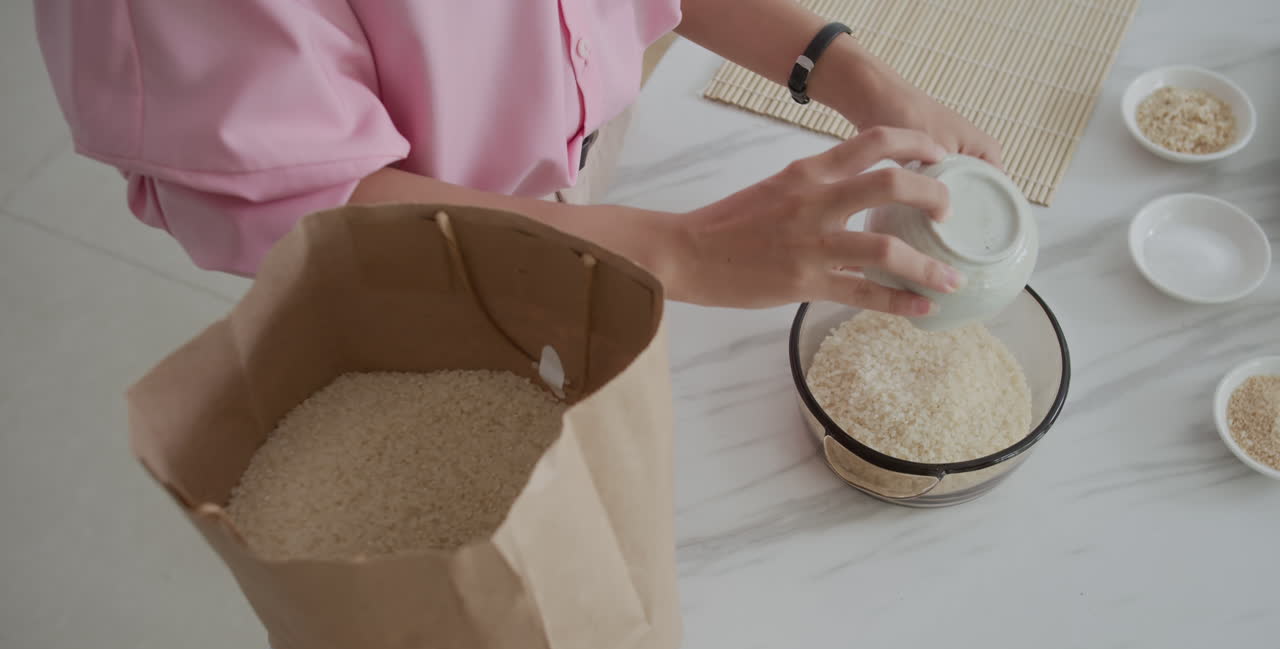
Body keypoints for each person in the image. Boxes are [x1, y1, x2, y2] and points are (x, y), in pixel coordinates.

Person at [34, 0, 1000, 316]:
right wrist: (685, 252)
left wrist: (843, 66)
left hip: (583, 174)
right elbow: (312, 197)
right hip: (415, 270)